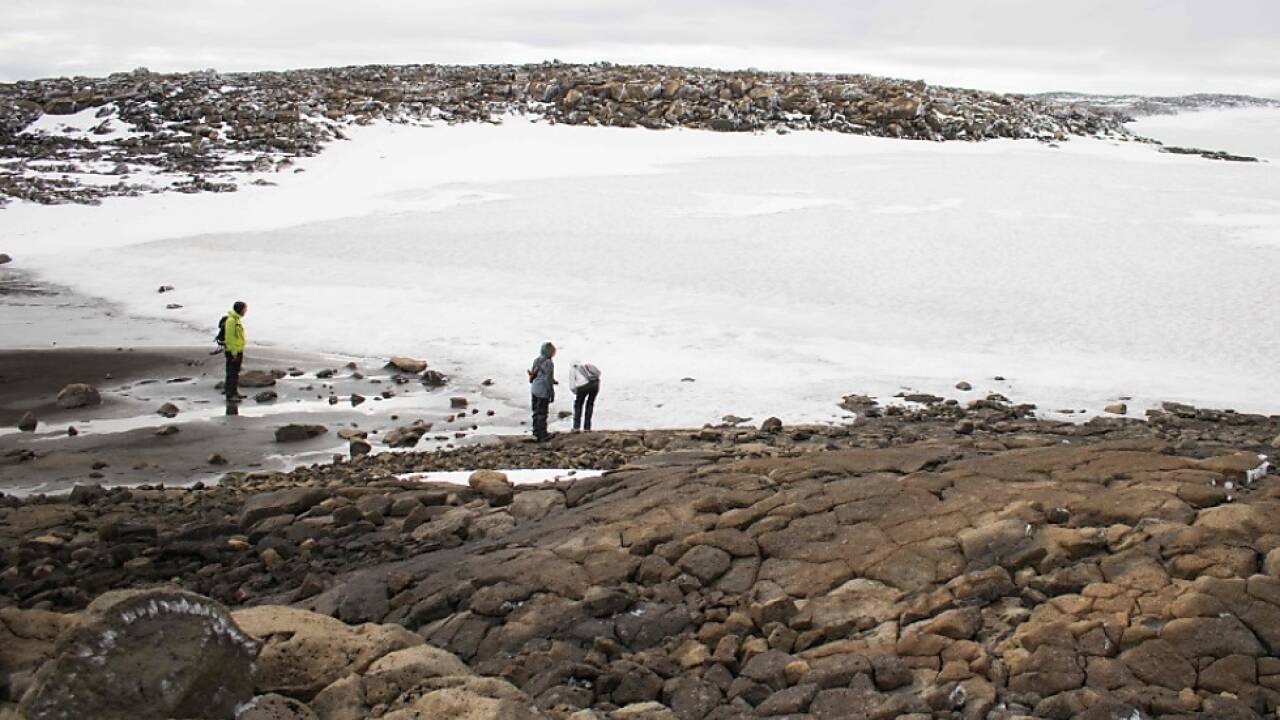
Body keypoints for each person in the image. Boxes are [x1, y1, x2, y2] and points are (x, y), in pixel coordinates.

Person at [527, 341, 556, 442]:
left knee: (535, 412)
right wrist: (551, 393)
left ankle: (536, 432)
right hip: (542, 391)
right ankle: (543, 435)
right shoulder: (549, 363)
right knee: (542, 413)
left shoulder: (537, 360)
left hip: (534, 388)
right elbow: (547, 379)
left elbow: (536, 374)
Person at [223, 301, 248, 402]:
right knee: (232, 373)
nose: (245, 311)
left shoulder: (236, 319)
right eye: (245, 309)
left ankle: (234, 392)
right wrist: (234, 352)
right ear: (240, 309)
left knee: (235, 373)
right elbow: (230, 338)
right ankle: (230, 394)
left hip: (238, 350)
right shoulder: (231, 321)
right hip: (233, 351)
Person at [570, 362, 601, 432]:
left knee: (578, 404)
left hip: (583, 386)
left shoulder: (573, 369)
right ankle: (587, 428)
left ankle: (576, 427)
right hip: (595, 384)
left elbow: (572, 386)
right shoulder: (586, 366)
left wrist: (576, 392)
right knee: (590, 404)